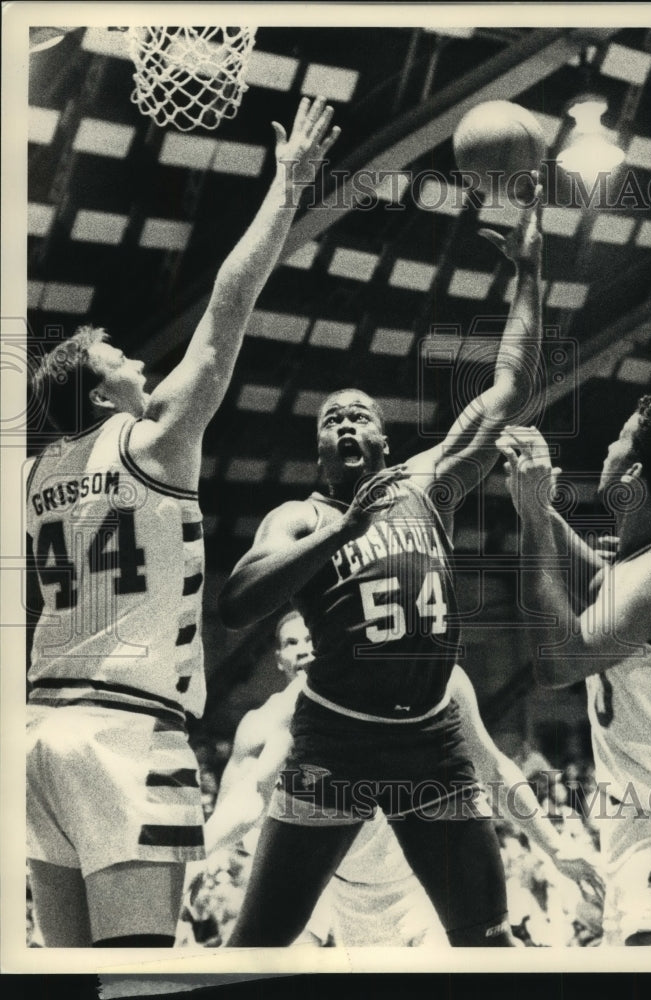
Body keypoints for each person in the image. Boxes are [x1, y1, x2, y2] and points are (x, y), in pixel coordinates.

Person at [24, 97, 340, 948]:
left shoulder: (29, 478)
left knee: (69, 977)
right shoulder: (155, 442)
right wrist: (288, 187)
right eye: (120, 361)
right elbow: (227, 307)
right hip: (125, 732)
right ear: (101, 398)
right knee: (137, 975)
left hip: (37, 732)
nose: (139, 362)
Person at [218, 184, 552, 947]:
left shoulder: (427, 483)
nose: (345, 421)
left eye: (359, 414)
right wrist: (341, 533)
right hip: (335, 745)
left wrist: (530, 273)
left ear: (382, 440)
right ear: (318, 449)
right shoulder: (302, 517)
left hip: (431, 744)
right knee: (258, 944)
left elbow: (508, 389)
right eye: (330, 417)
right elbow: (236, 604)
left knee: (486, 938)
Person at [201, 615, 602, 947]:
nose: (306, 650)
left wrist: (555, 846)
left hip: (421, 887)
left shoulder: (439, 678)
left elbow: (494, 769)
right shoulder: (289, 710)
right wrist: (191, 851)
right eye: (293, 642)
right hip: (344, 892)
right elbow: (249, 799)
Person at [495, 394, 651, 946]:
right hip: (643, 841)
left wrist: (534, 518)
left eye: (619, 440)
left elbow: (557, 662)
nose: (607, 449)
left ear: (633, 475)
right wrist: (536, 503)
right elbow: (598, 584)